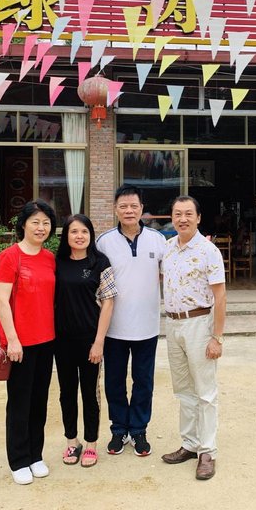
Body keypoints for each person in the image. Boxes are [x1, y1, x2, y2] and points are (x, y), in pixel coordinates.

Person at [96, 184, 165, 456]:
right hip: (114, 327)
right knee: (114, 381)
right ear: (115, 209)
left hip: (147, 326)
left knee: (143, 381)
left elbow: (170, 273)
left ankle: (138, 430)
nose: (129, 210)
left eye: (134, 206)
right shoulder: (104, 242)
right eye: (123, 206)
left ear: (142, 209)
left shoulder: (158, 240)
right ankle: (118, 430)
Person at [161, 195, 227, 480]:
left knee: (205, 392)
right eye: (177, 214)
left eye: (188, 213)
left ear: (198, 218)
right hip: (173, 325)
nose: (183, 219)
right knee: (183, 389)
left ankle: (207, 451)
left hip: (199, 324)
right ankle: (189, 444)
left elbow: (220, 296)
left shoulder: (209, 251)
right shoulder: (167, 248)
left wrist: (217, 337)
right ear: (172, 218)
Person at [0, 199, 58, 485]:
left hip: (47, 340)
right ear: (23, 225)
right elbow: (1, 300)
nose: (41, 228)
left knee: (39, 401)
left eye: (46, 223)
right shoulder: (10, 257)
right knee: (20, 401)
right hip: (20, 343)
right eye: (35, 222)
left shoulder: (50, 258)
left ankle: (35, 455)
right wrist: (13, 340)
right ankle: (18, 460)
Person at [54, 214, 117, 468]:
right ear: (66, 236)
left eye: (84, 231)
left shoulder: (100, 262)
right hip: (61, 339)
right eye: (74, 231)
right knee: (66, 392)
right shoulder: (57, 262)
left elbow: (108, 302)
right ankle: (72, 441)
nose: (79, 236)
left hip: (90, 339)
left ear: (91, 235)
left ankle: (91, 443)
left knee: (90, 392)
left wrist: (99, 341)